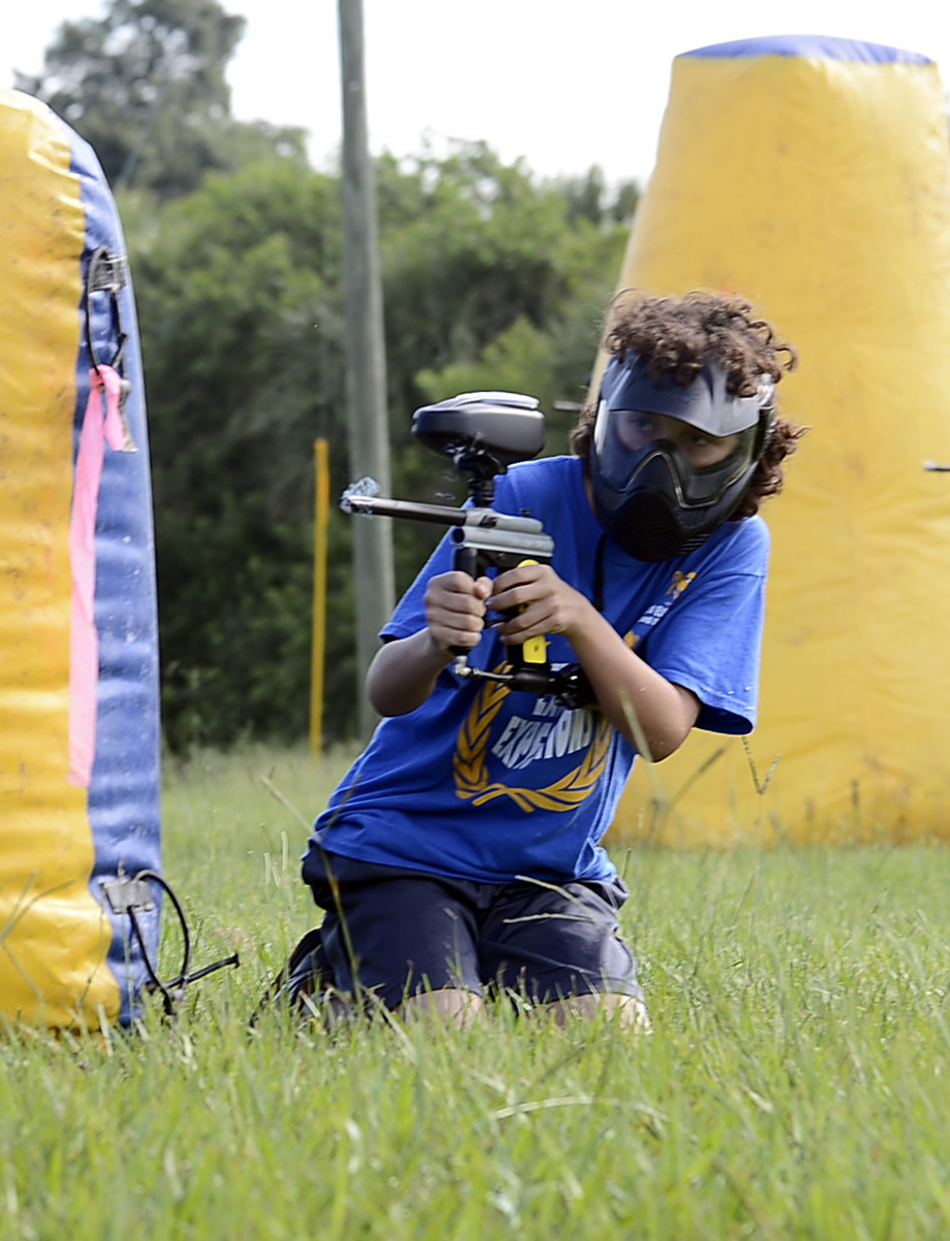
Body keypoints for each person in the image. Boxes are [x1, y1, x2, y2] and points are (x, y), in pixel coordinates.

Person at [297, 290, 804, 1028]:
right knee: (444, 1026)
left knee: (607, 1033)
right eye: (641, 428)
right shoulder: (518, 497)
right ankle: (320, 992)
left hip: (549, 869)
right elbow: (388, 692)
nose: (662, 462)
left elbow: (661, 731)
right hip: (403, 845)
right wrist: (436, 640)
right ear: (604, 419)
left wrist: (577, 618)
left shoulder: (732, 546)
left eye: (698, 442)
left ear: (747, 447)